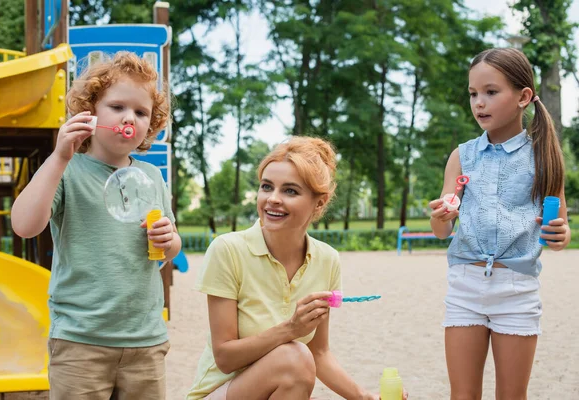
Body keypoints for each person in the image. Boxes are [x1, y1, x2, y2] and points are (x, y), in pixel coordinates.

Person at [11, 51, 182, 400]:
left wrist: (170, 241)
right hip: (80, 341)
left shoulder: (151, 177)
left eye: (141, 111)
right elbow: (25, 226)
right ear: (89, 112)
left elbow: (167, 251)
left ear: (152, 122)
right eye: (117, 107)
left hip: (145, 340)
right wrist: (60, 156)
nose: (128, 118)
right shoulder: (67, 170)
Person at [186, 136, 407, 400]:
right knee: (294, 359)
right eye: (267, 187)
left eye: (290, 191)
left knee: (298, 363)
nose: (272, 199)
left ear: (320, 203)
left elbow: (319, 353)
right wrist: (291, 329)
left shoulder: (327, 260)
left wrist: (367, 398)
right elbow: (224, 357)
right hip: (219, 393)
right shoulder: (228, 250)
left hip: (280, 388)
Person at [429, 47, 571, 400]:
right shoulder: (462, 156)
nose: (480, 103)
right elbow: (442, 230)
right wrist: (441, 216)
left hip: (517, 290)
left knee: (511, 395)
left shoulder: (545, 156)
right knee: (462, 395)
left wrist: (559, 234)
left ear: (523, 97)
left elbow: (560, 232)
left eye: (491, 92)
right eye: (474, 94)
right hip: (465, 286)